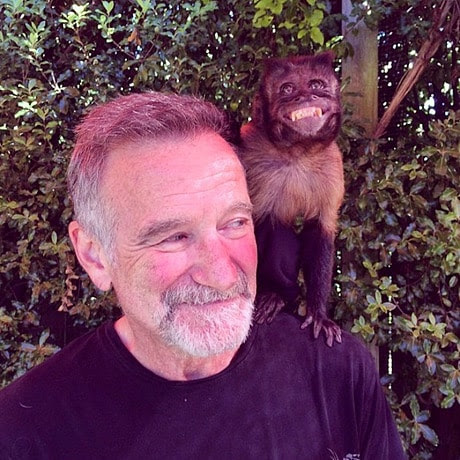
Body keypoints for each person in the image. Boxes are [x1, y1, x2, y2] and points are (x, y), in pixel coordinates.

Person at [0, 92, 407, 459]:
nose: (220, 273)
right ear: (94, 255)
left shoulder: (339, 374)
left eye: (235, 223)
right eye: (174, 237)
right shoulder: (26, 431)